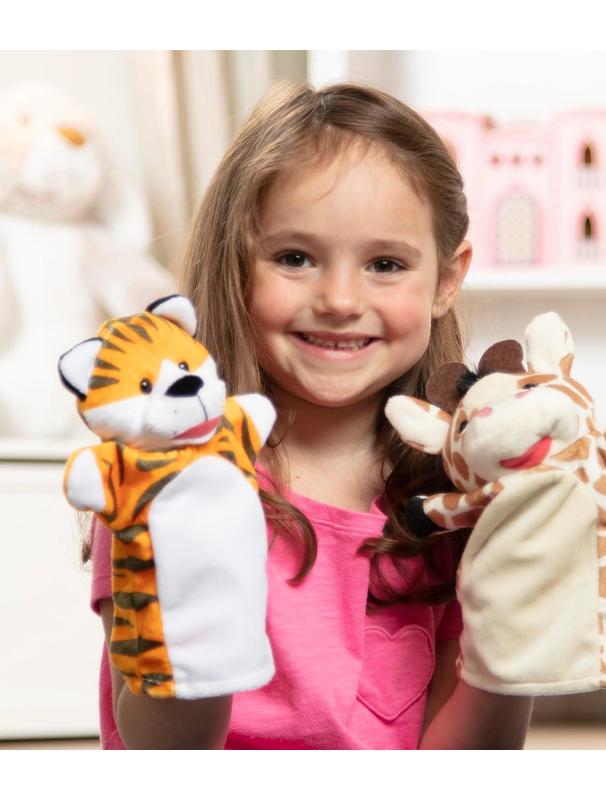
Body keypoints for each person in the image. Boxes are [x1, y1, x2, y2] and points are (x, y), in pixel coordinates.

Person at [88, 81, 534, 749]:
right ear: (236, 263)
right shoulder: (162, 472)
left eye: (386, 264)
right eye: (294, 258)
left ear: (447, 278)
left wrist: (521, 629)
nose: (339, 300)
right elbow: (162, 752)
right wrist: (192, 589)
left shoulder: (455, 498)